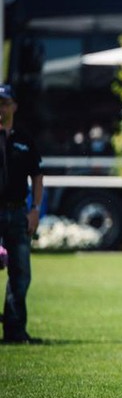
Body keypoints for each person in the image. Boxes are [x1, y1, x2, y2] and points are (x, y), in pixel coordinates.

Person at [0, 84, 44, 344]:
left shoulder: (24, 140)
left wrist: (35, 210)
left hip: (17, 214)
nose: (1, 107)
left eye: (5, 102)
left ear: (14, 106)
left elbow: (37, 176)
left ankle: (15, 332)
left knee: (20, 273)